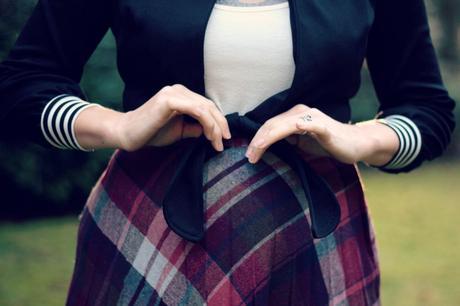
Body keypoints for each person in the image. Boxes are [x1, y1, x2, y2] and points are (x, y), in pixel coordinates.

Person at [0, 0, 456, 305]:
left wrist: (356, 139)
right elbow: (23, 85)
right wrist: (120, 125)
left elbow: (427, 110)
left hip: (312, 237)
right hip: (148, 227)